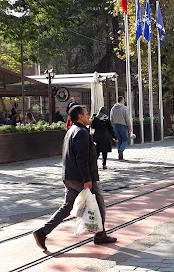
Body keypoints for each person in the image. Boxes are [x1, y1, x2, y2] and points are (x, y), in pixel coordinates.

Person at [32, 105, 117, 251]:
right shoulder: (82, 132)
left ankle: (42, 232)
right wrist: (87, 179)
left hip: (69, 176)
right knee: (99, 202)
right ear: (80, 116)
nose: (88, 115)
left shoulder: (71, 130)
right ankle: (100, 234)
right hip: (80, 177)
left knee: (67, 207)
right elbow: (81, 157)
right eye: (86, 113)